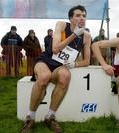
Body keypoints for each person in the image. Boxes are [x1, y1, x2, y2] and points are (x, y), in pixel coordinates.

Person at [20, 5, 91, 133]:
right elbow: (55, 49)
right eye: (78, 15)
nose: (82, 18)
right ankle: (30, 118)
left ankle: (50, 117)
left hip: (61, 66)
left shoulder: (87, 36)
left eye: (84, 16)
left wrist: (74, 64)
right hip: (45, 61)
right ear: (70, 18)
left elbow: (87, 61)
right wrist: (74, 35)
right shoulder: (62, 25)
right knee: (44, 77)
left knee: (65, 76)